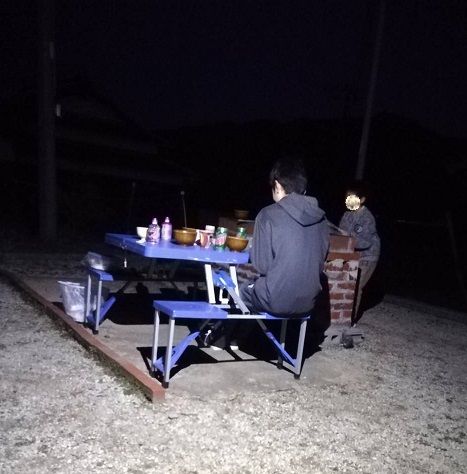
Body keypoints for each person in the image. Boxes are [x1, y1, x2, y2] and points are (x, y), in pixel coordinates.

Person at [202, 158, 330, 350]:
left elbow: (262, 265)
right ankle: (238, 340)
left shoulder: (268, 214)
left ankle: (219, 339)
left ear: (277, 185)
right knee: (258, 289)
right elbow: (321, 259)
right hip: (308, 302)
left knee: (239, 291)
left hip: (276, 300)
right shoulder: (322, 219)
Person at [339, 180, 380, 321]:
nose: (348, 201)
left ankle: (350, 320)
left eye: (352, 198)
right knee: (345, 283)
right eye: (347, 197)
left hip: (367, 256)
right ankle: (340, 315)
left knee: (356, 287)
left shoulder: (367, 218)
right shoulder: (347, 215)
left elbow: (365, 242)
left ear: (362, 200)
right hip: (352, 254)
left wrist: (348, 238)